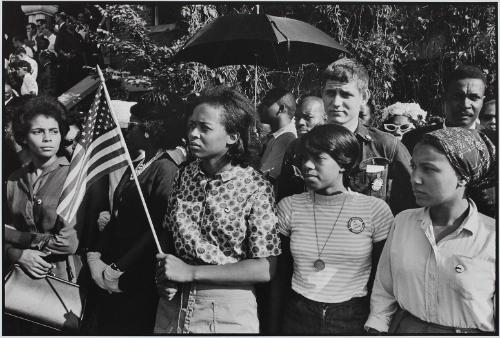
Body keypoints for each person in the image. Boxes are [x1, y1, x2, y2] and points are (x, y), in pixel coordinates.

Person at [154, 86, 281, 334]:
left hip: (225, 311)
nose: (193, 134)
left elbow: (265, 267)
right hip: (173, 307)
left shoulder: (256, 186)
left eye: (204, 128)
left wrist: (190, 272)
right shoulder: (183, 175)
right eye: (191, 125)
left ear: (233, 136)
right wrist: (164, 275)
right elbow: (168, 234)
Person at [365, 128, 495, 334]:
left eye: (429, 169)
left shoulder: (491, 237)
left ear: (463, 176)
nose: (415, 178)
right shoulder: (403, 222)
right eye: (414, 167)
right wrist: (377, 327)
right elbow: (385, 290)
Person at [271, 124, 393, 334]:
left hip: (353, 318)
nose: (307, 165)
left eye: (318, 158)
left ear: (343, 162)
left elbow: (383, 279)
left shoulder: (374, 209)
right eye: (303, 158)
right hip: (298, 315)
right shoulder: (290, 207)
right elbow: (279, 275)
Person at [85, 92, 188, 335]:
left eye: (132, 126)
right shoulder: (140, 163)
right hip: (115, 265)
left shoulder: (165, 169)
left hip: (135, 276)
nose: (127, 132)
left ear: (149, 131)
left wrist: (118, 268)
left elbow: (157, 227)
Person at [278, 58, 414, 215]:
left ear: (364, 97)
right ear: (322, 93)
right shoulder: (299, 148)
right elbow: (285, 208)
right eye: (330, 93)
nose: (336, 102)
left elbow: (411, 206)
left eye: (345, 94)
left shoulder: (385, 147)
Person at [4, 96, 82, 297]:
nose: (48, 138)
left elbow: (68, 242)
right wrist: (16, 254)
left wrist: (13, 236)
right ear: (23, 137)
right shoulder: (13, 180)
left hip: (62, 280)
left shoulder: (71, 176)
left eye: (54, 131)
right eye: (38, 131)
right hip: (18, 279)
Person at [402, 65, 496, 217]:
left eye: (474, 97)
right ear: (444, 98)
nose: (465, 105)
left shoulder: (494, 142)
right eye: (457, 96)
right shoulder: (414, 139)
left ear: (482, 100)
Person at [277, 96, 327, 200]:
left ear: (325, 117)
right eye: (297, 118)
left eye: (308, 117)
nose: (300, 123)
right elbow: (284, 190)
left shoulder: (336, 147)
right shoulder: (294, 147)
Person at [258, 88, 297, 184]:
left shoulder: (285, 139)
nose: (260, 107)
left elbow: (265, 178)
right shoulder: (275, 135)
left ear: (281, 108)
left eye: (266, 103)